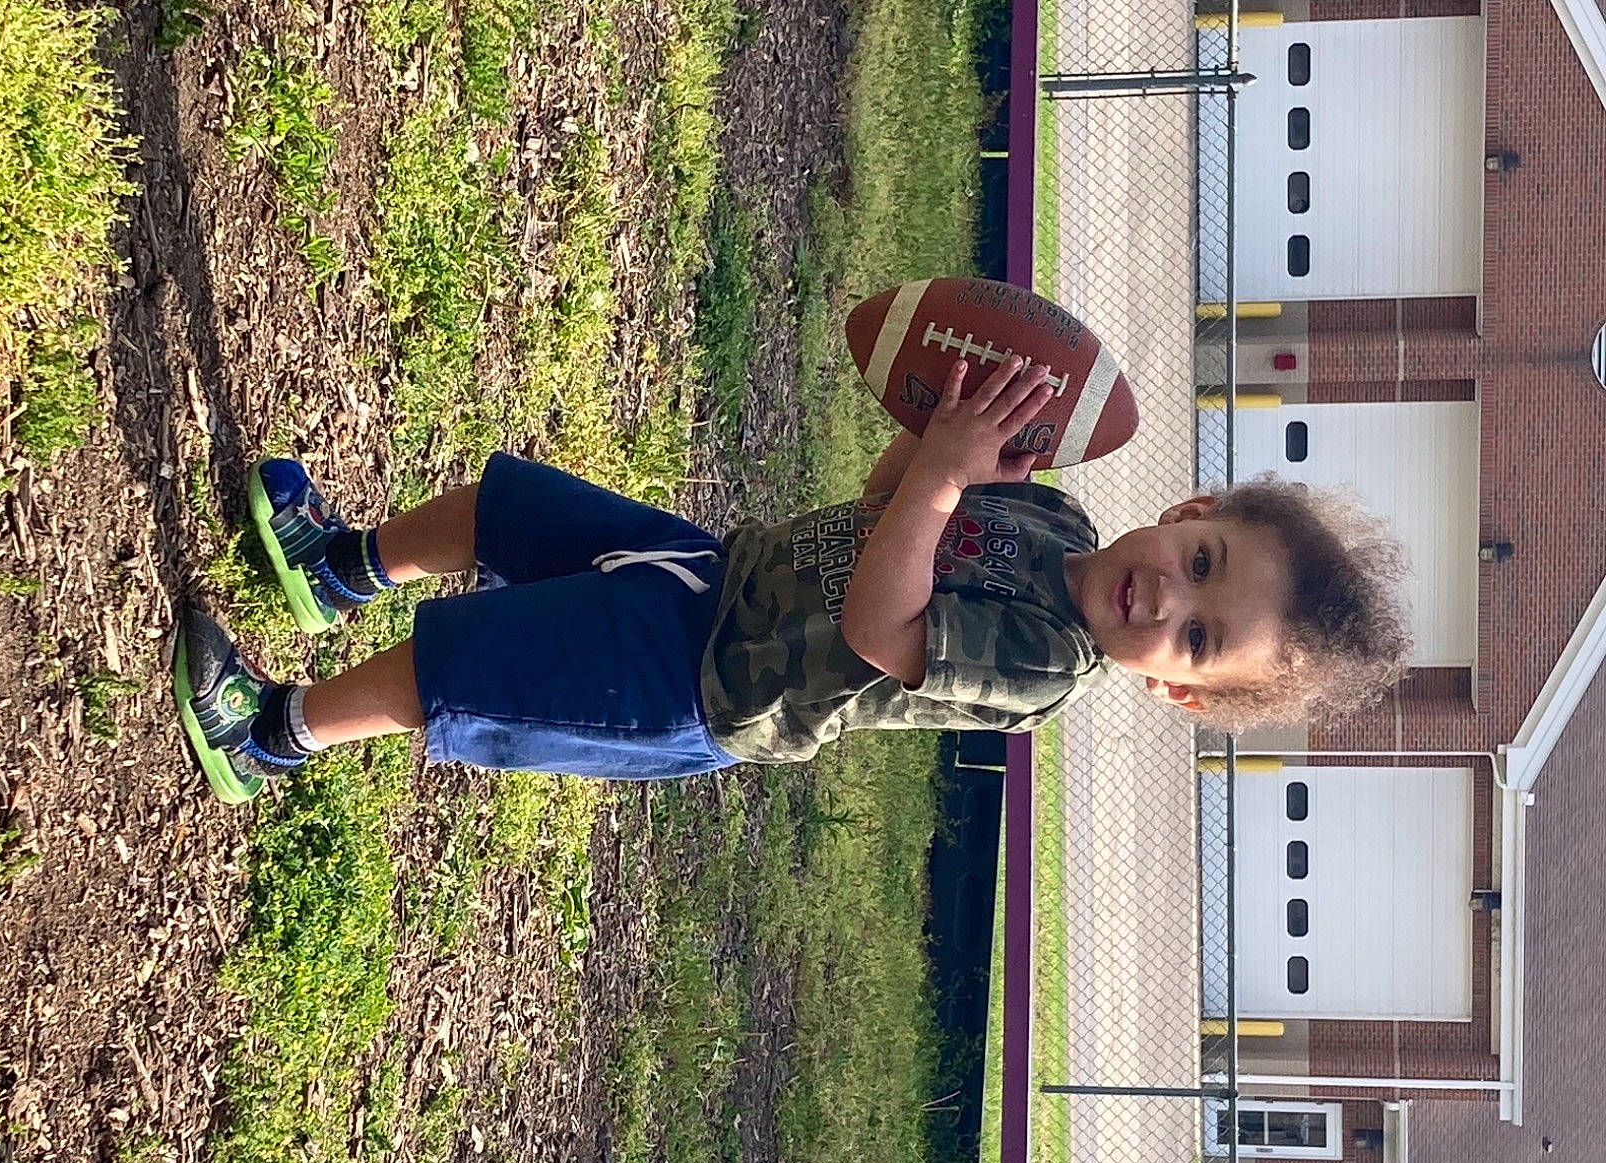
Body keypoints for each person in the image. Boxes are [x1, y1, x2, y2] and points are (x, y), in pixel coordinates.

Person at [171, 354, 1411, 804]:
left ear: (1175, 691)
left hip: (706, 686)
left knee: (468, 665)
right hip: (718, 575)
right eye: (1200, 564)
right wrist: (937, 440)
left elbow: (881, 627)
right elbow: (882, 504)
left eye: (1196, 638)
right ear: (1188, 515)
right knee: (508, 508)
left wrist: (941, 482)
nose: (1169, 601)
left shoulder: (1043, 666)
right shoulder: (1053, 510)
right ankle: (338, 568)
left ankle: (270, 733)